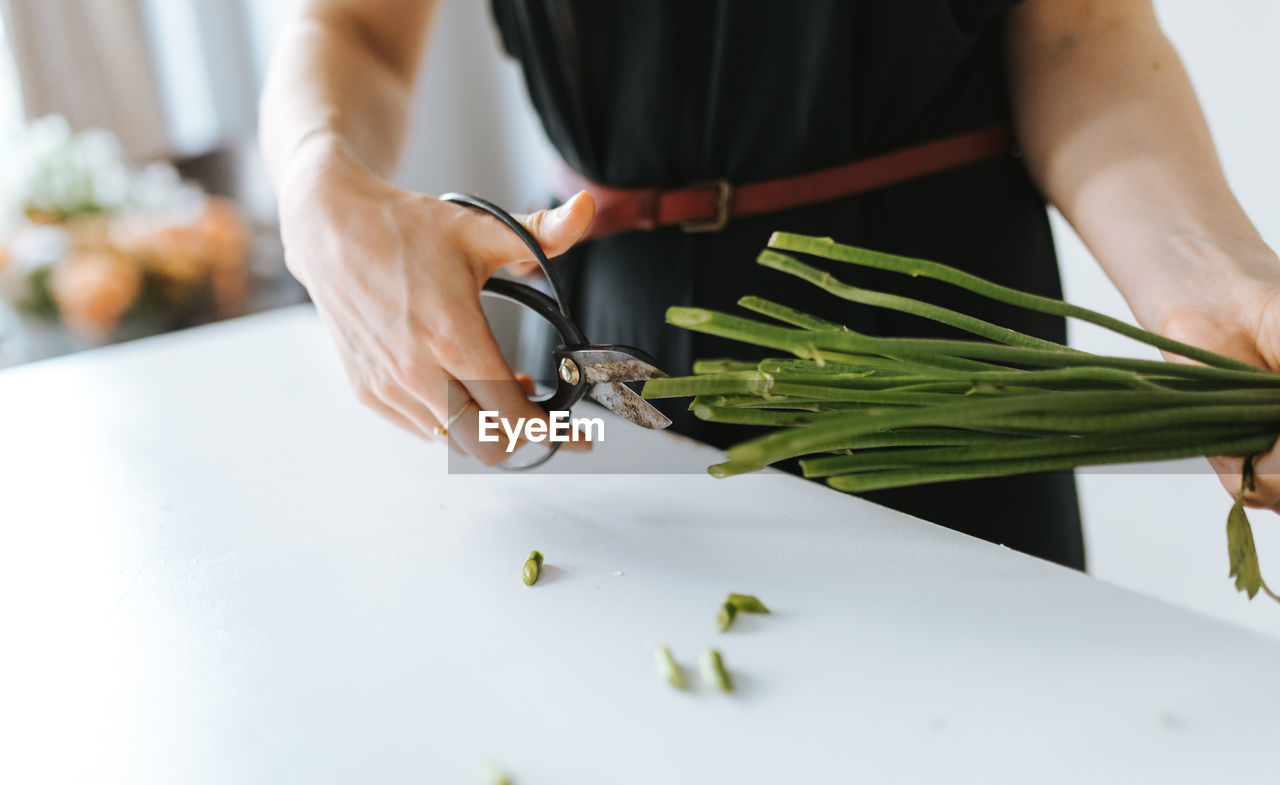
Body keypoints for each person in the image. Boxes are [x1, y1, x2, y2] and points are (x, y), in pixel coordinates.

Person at [260, 0, 1280, 570]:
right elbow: (355, 30)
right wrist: (314, 185)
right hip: (609, 344)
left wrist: (1214, 289)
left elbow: (1072, 31)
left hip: (945, 375)